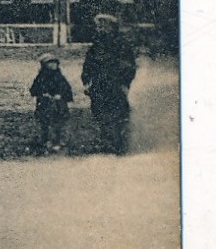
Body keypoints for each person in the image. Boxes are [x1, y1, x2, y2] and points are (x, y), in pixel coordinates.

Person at [82, 13, 138, 154]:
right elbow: (88, 64)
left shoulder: (122, 44)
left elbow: (129, 65)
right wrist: (86, 80)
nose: (100, 28)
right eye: (98, 25)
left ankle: (120, 144)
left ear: (111, 27)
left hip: (116, 84)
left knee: (118, 114)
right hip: (99, 85)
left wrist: (125, 83)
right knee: (100, 112)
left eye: (103, 25)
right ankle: (106, 143)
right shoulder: (96, 45)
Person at [29, 52, 73, 152]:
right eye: (49, 63)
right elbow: (34, 90)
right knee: (45, 123)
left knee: (58, 123)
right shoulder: (41, 77)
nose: (53, 65)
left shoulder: (60, 77)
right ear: (44, 65)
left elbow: (67, 90)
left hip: (59, 104)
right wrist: (43, 94)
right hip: (45, 104)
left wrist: (61, 96)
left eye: (54, 63)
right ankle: (45, 140)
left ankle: (58, 141)